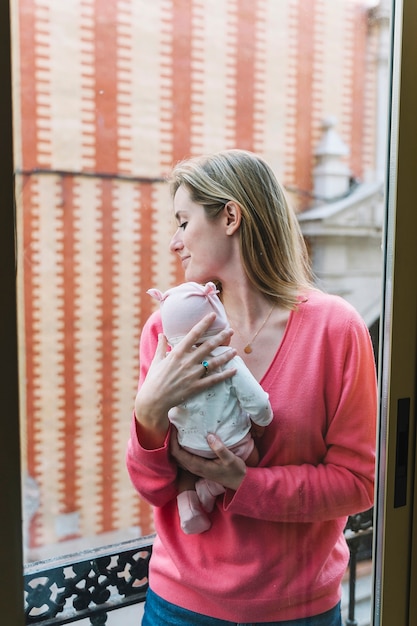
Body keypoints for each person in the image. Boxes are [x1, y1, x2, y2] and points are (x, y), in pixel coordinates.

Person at [126, 149, 377, 626]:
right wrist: (148, 412)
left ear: (231, 217)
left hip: (299, 612)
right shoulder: (166, 332)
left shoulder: (336, 329)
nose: (173, 243)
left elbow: (357, 484)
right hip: (179, 607)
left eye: (183, 222)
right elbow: (153, 488)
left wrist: (243, 482)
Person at [145, 280, 273, 534]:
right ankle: (212, 488)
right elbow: (256, 400)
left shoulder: (170, 366)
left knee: (185, 471)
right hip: (232, 443)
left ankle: (189, 507)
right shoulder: (226, 359)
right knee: (253, 461)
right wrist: (262, 421)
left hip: (187, 444)